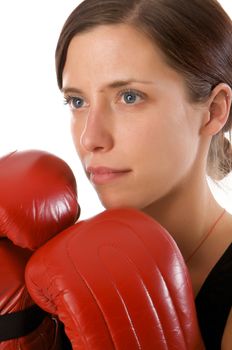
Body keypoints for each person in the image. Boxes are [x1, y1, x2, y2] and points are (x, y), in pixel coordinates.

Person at [54, 0, 232, 348]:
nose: (91, 138)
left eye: (129, 96)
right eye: (77, 102)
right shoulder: (57, 272)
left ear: (213, 111)